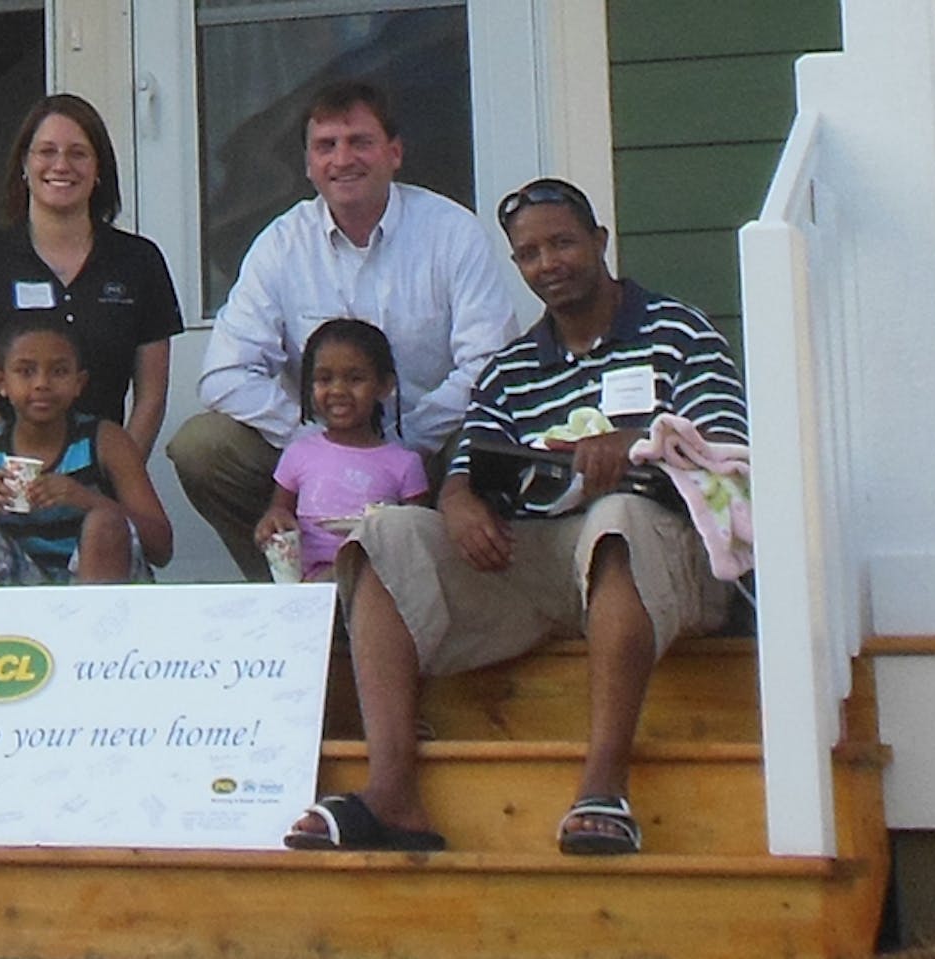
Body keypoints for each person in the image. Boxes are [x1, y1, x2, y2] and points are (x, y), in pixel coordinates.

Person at [282, 178, 746, 855]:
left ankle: (604, 789)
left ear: (600, 241)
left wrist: (634, 443)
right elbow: (471, 460)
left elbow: (728, 449)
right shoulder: (513, 367)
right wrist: (458, 500)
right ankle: (393, 795)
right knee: (384, 531)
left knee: (617, 516)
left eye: (562, 243)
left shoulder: (678, 332)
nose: (548, 263)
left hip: (666, 558)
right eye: (529, 254)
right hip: (542, 562)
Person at [169, 79, 517, 581]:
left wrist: (403, 442)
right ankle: (296, 592)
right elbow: (224, 375)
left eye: (360, 142)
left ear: (394, 153)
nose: (342, 159)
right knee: (202, 446)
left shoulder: (451, 232)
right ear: (308, 164)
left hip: (427, 449)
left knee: (485, 440)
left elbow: (488, 366)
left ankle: (449, 594)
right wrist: (319, 445)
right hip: (316, 455)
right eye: (326, 146)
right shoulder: (281, 245)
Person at [0, 93, 183, 459]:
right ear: (24, 164)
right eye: (46, 151)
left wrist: (119, 474)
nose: (61, 165)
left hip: (102, 472)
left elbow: (151, 400)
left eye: (78, 153)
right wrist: (25, 478)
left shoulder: (139, 261)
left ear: (99, 169)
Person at [0, 316, 173, 587]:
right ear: (1, 383)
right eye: (26, 371)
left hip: (96, 580)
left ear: (79, 383)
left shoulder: (105, 440)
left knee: (105, 523)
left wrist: (87, 499)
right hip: (17, 579)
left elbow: (161, 547)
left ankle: (93, 616)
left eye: (59, 372)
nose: (42, 383)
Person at [252, 318, 430, 582]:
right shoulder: (299, 453)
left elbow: (418, 537)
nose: (337, 390)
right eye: (324, 379)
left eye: (355, 379)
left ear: (384, 386)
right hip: (311, 583)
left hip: (376, 584)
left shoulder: (405, 463)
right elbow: (279, 511)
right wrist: (274, 522)